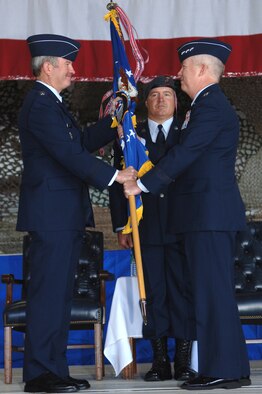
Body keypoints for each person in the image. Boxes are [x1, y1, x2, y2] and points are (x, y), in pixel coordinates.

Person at [123, 38, 251, 390]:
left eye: (183, 68)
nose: (178, 75)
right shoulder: (204, 105)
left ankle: (222, 369)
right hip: (204, 215)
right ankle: (231, 367)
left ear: (201, 70)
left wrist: (142, 185)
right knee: (213, 294)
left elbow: (188, 152)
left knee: (212, 294)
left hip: (209, 215)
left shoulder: (210, 106)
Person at [16, 33, 136, 393]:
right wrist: (116, 176)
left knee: (59, 298)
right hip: (52, 217)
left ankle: (54, 369)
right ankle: (40, 375)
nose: (73, 70)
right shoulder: (39, 104)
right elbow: (68, 156)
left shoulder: (50, 103)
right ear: (49, 66)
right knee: (48, 297)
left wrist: (114, 118)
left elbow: (79, 144)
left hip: (61, 216)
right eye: (68, 64)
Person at [109, 76, 196, 382]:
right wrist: (123, 225)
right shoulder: (132, 135)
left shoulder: (190, 133)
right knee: (153, 291)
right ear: (145, 103)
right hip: (145, 227)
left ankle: (183, 360)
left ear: (176, 100)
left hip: (183, 225)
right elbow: (118, 181)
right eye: (155, 95)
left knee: (183, 291)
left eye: (167, 95)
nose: (161, 100)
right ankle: (159, 361)